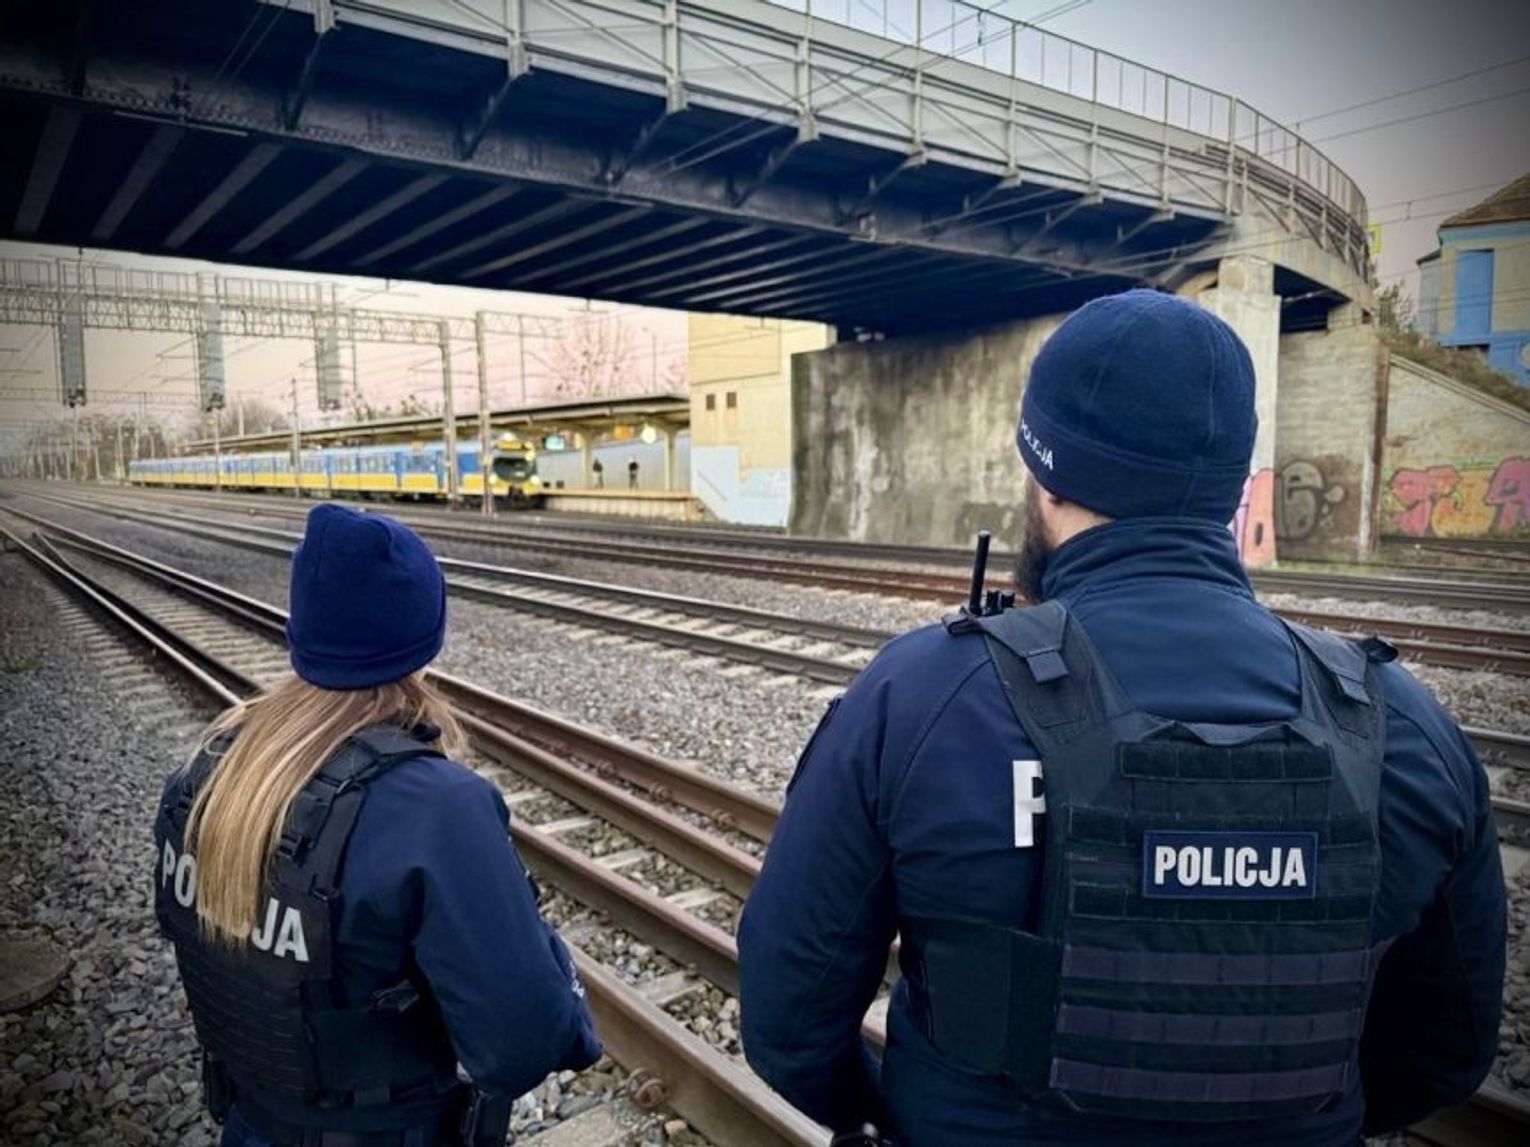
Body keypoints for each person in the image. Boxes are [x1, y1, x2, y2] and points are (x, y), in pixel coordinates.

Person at [738, 289, 1506, 1147]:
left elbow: (788, 1019)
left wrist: (905, 1109)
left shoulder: (916, 699)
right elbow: (1446, 1050)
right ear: (1233, 487)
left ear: (1044, 475)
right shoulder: (1404, 726)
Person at [154, 503, 601, 1147]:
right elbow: (525, 1045)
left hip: (249, 1123)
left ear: (302, 629)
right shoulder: (439, 808)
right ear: (425, 635)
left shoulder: (205, 775)